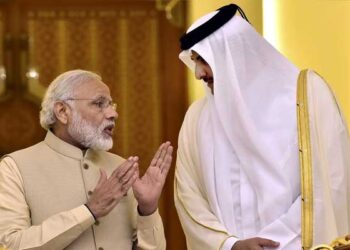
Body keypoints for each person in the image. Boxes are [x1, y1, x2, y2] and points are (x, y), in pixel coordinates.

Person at [174, 4, 350, 250]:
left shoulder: (306, 97)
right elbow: (188, 197)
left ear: (233, 51)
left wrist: (274, 243)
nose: (198, 73)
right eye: (194, 61)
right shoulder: (196, 118)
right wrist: (231, 245)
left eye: (203, 59)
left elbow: (329, 182)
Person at [0, 69, 173, 250]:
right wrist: (89, 210)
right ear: (62, 111)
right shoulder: (15, 167)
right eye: (99, 104)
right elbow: (12, 244)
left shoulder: (121, 167)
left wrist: (148, 209)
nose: (113, 114)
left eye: (111, 105)